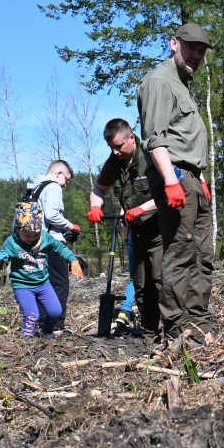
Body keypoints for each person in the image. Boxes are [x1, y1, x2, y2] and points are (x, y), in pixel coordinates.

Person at [137, 22, 215, 342]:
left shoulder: (183, 85)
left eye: (201, 50)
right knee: (180, 252)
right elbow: (155, 139)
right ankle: (176, 324)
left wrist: (203, 178)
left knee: (202, 254)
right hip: (176, 177)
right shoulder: (158, 81)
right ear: (173, 43)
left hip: (193, 178)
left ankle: (198, 318)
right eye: (191, 47)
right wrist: (171, 180)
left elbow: (187, 138)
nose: (196, 54)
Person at [87, 118, 163, 337]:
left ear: (132, 137)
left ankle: (171, 331)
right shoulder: (113, 163)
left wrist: (142, 209)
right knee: (141, 285)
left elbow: (168, 191)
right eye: (111, 147)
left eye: (119, 146)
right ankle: (149, 333)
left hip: (160, 231)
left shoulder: (151, 155)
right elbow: (98, 189)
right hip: (136, 232)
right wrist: (95, 205)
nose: (115, 152)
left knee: (161, 282)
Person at [0, 203, 84, 339]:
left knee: (55, 312)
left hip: (43, 284)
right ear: (18, 229)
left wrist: (73, 261)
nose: (32, 239)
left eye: (35, 236)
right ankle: (26, 341)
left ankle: (46, 332)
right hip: (23, 286)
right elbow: (1, 265)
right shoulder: (11, 243)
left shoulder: (45, 237)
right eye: (27, 236)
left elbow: (61, 249)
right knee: (32, 316)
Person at [27, 159, 79, 334]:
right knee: (60, 284)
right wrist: (70, 226)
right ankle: (56, 325)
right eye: (67, 180)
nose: (66, 185)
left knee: (40, 283)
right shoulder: (53, 187)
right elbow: (51, 215)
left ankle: (41, 323)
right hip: (51, 243)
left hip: (33, 243)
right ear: (59, 174)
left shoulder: (34, 188)